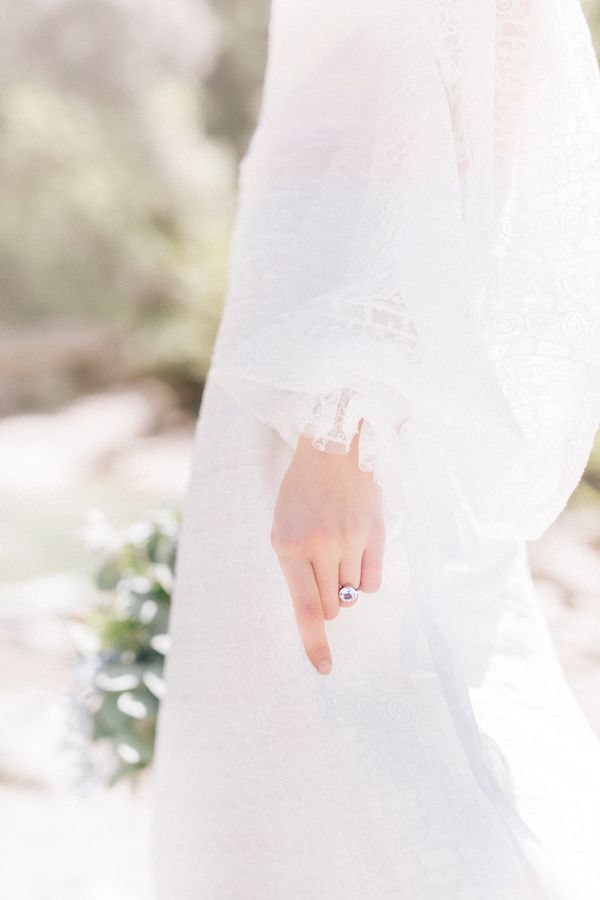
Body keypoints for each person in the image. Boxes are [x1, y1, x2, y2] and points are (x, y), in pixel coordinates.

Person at [152, 1, 600, 897]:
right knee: (304, 783)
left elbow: (495, 98)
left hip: (341, 395)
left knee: (399, 762)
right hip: (289, 365)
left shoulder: (342, 420)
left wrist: (344, 425)